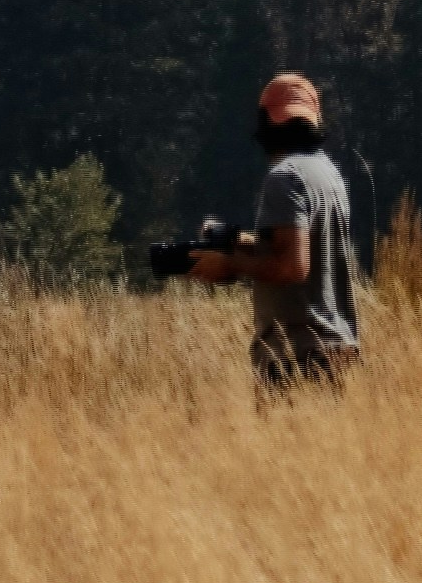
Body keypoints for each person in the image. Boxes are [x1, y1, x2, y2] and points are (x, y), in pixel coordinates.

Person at [150, 71, 362, 389]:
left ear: (264, 124)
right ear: (315, 121)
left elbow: (293, 267)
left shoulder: (284, 177)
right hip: (338, 350)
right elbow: (308, 247)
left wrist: (228, 264)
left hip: (295, 357)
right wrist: (244, 243)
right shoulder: (328, 173)